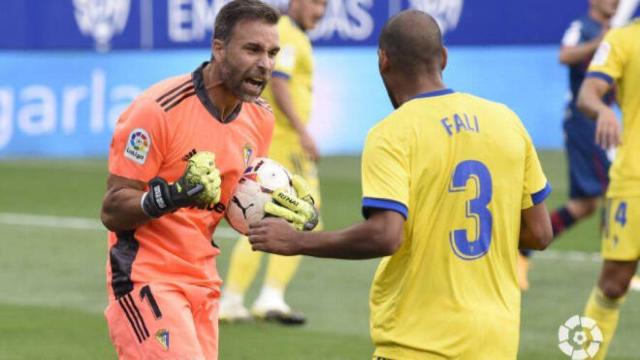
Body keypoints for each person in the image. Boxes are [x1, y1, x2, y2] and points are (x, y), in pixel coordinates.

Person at [248, 10, 553, 359]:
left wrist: (298, 240)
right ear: (444, 58)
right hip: (496, 342)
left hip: (418, 342)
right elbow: (539, 234)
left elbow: (386, 235)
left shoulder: (393, 133)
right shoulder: (506, 121)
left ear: (383, 61)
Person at [99, 1, 314, 358]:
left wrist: (283, 212)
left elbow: (233, 204)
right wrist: (173, 196)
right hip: (146, 280)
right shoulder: (157, 110)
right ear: (218, 48)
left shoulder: (260, 118)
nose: (265, 64)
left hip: (203, 281)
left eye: (272, 52)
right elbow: (112, 209)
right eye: (252, 49)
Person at [219, 0, 327, 325]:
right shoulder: (288, 34)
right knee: (299, 214)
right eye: (316, 3)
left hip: (280, 137)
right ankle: (260, 297)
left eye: (325, 5)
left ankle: (244, 298)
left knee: (269, 214)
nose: (320, 11)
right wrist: (302, 130)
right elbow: (279, 81)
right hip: (284, 140)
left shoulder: (293, 33)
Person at [517, 0, 619, 291]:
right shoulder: (582, 28)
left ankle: (520, 250)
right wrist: (600, 41)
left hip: (600, 123)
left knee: (584, 205)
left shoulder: (613, 32)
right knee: (618, 189)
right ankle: (619, 265)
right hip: (586, 123)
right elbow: (565, 54)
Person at [577, 18, 640, 360]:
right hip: (633, 179)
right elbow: (588, 93)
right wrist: (602, 109)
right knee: (613, 284)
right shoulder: (622, 39)